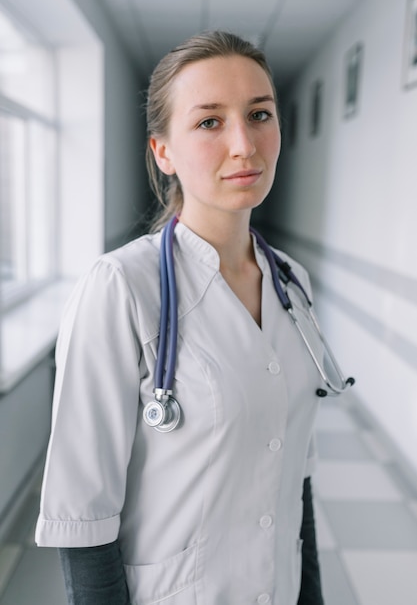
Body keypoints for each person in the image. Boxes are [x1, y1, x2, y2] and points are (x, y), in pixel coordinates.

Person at [35, 30, 324, 605]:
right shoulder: (121, 288)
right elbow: (83, 513)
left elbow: (297, 472)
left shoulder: (292, 281)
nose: (245, 144)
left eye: (259, 113)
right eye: (210, 122)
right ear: (162, 151)